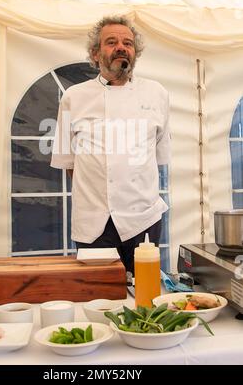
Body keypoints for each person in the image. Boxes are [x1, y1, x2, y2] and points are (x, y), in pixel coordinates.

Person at [51, 16, 170, 274]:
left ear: (135, 53)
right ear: (95, 54)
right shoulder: (73, 97)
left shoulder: (157, 94)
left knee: (144, 298)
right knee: (98, 301)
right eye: (111, 42)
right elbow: (68, 162)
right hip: (94, 224)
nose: (121, 47)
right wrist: (98, 192)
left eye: (127, 43)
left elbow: (158, 156)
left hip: (143, 220)